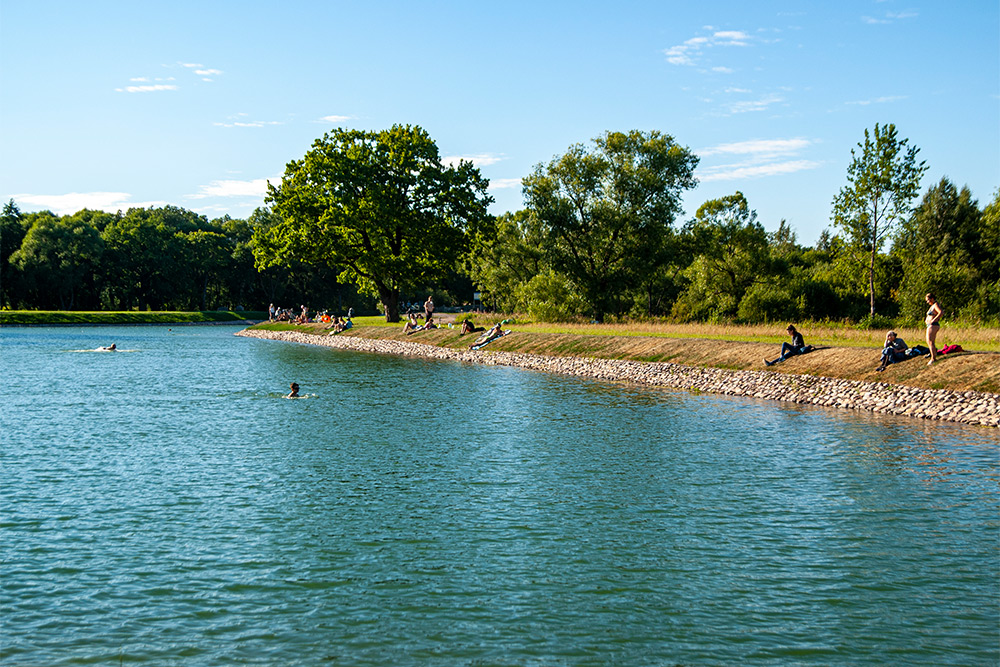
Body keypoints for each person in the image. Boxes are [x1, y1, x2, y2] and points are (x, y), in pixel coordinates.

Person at [925, 292, 943, 365]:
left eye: (928, 300)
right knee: (928, 341)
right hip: (929, 325)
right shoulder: (932, 305)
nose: (927, 302)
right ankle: (932, 353)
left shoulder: (935, 305)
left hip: (933, 325)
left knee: (930, 341)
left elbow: (941, 312)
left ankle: (933, 358)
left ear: (932, 298)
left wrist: (934, 320)